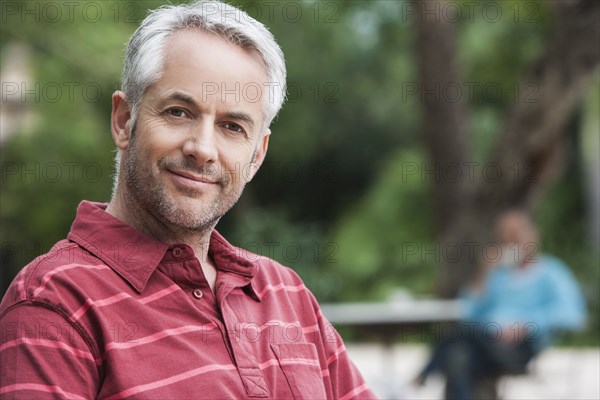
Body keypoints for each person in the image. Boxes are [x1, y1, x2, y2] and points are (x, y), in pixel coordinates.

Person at [0, 2, 376, 399]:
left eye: (232, 126)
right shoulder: (54, 304)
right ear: (124, 120)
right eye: (179, 112)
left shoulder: (286, 293)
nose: (203, 149)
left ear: (257, 155)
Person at [415, 210, 586, 399]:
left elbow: (572, 314)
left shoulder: (551, 272)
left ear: (533, 235)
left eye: (515, 236)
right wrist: (482, 274)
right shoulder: (497, 276)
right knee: (459, 356)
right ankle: (427, 374)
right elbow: (467, 313)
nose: (511, 243)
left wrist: (526, 325)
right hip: (484, 344)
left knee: (460, 339)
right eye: (504, 238)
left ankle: (425, 373)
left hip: (519, 349)